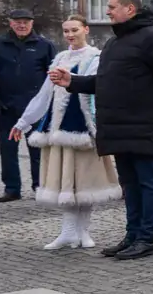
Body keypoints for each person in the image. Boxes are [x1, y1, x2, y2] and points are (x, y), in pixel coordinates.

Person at [55, 0, 153, 259]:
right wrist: (74, 82)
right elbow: (105, 81)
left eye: (112, 6)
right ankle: (133, 234)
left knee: (148, 181)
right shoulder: (115, 43)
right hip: (118, 126)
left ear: (130, 9)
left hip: (145, 124)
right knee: (129, 184)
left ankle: (147, 238)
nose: (107, 11)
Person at [11, 14, 118, 249]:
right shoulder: (61, 57)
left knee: (85, 182)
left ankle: (83, 230)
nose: (70, 35)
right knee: (65, 182)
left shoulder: (96, 57)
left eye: (74, 30)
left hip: (84, 128)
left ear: (86, 30)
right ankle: (68, 231)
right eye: (66, 31)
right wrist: (23, 122)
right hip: (59, 128)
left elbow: (95, 86)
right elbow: (45, 94)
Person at [0, 8, 55, 201]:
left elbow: (53, 76)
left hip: (36, 108)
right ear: (10, 23)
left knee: (38, 149)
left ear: (32, 23)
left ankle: (40, 185)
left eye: (26, 22)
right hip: (7, 106)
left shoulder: (44, 46)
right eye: (18, 22)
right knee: (8, 150)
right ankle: (12, 188)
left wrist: (49, 103)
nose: (22, 25)